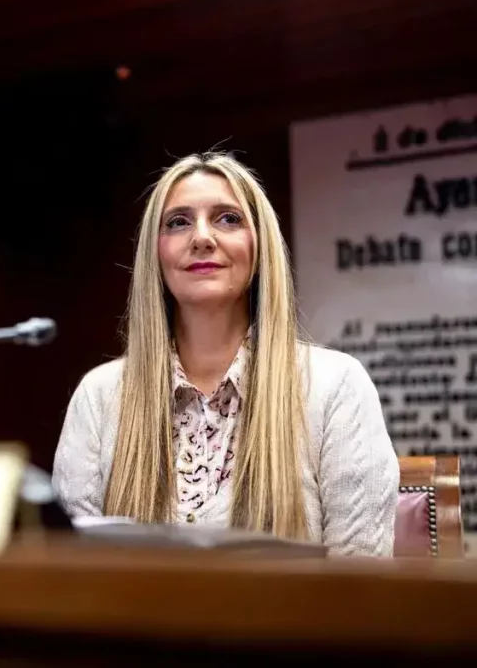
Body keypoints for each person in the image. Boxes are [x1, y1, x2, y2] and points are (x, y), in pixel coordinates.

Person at [51, 151, 399, 556]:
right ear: (154, 253)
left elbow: (358, 578)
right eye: (178, 222)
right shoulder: (99, 396)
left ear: (259, 245)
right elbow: (71, 572)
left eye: (228, 219)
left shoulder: (336, 386)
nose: (202, 237)